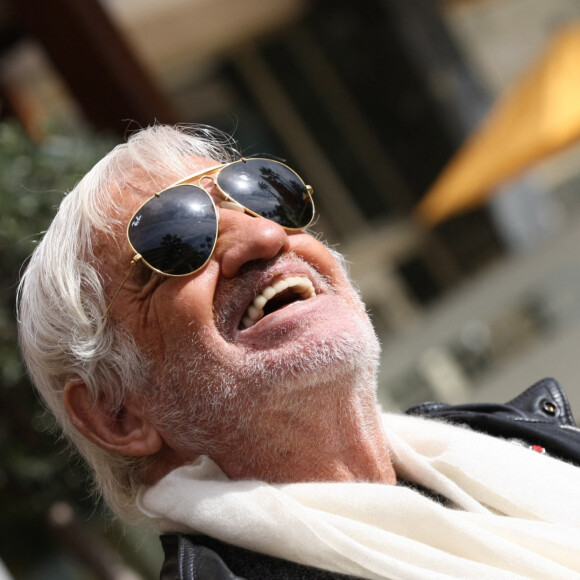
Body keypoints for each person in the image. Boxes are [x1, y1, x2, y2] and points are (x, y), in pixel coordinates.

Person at [17, 124, 580, 580]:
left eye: (263, 197)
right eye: (175, 239)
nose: (265, 238)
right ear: (117, 414)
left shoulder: (524, 447)